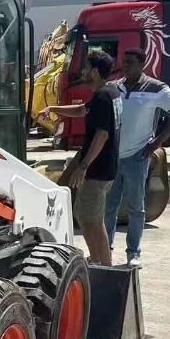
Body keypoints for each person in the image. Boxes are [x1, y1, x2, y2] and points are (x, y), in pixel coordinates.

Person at [105, 49, 170, 268]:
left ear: (143, 63)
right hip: (114, 156)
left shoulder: (157, 88)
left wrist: (157, 142)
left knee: (136, 207)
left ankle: (133, 252)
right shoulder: (115, 87)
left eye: (130, 62)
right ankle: (105, 250)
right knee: (109, 206)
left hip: (137, 158)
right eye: (124, 62)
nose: (125, 66)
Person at [39, 50, 122, 266]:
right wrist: (54, 108)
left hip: (98, 169)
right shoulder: (110, 92)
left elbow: (102, 134)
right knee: (88, 216)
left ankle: (103, 265)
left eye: (86, 68)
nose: (83, 72)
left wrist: (83, 165)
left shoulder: (104, 96)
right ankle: (99, 260)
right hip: (104, 167)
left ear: (94, 71)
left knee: (90, 219)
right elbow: (81, 110)